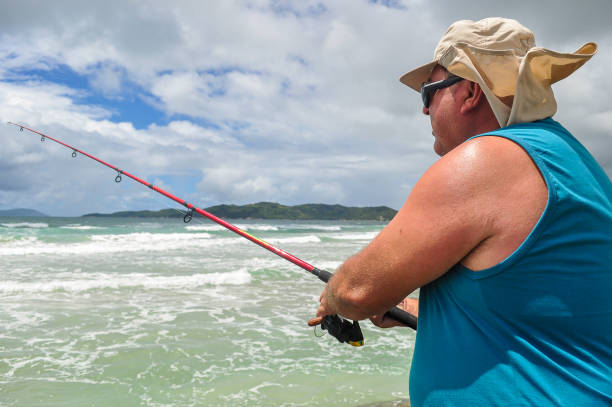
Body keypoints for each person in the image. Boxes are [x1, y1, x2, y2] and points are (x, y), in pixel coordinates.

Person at [311, 18, 612, 406]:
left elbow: (356, 292)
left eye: (428, 93)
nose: (424, 111)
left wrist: (333, 297)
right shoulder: (573, 162)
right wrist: (412, 309)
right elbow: (540, 314)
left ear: (469, 92)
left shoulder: (490, 160)